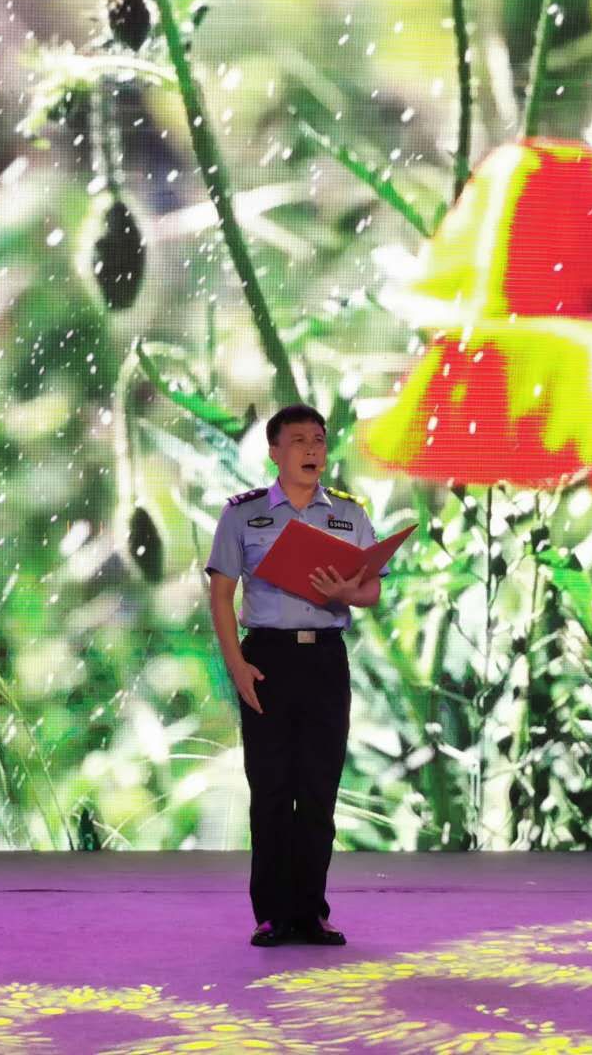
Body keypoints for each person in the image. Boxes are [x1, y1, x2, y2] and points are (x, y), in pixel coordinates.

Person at [204, 404, 387, 948]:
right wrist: (237, 665)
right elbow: (221, 595)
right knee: (271, 790)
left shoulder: (349, 514)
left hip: (325, 660)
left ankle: (311, 913)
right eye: (300, 441)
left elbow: (373, 591)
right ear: (275, 452)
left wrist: (347, 592)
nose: (312, 450)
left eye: (319, 440)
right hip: (268, 659)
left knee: (318, 791)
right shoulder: (243, 515)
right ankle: (271, 915)